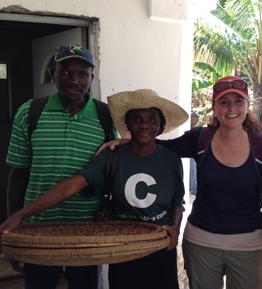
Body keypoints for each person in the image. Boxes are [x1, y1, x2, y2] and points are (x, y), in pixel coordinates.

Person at [100, 75, 262, 289]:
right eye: (224, 102)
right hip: (201, 243)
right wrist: (125, 142)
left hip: (248, 246)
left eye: (238, 101)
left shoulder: (261, 146)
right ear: (215, 107)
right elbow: (162, 146)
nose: (231, 108)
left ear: (246, 105)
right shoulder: (200, 139)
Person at [1, 89, 188, 289]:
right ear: (128, 124)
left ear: (160, 125)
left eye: (152, 119)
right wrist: (21, 214)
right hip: (122, 249)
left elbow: (177, 200)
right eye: (137, 119)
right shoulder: (112, 155)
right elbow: (71, 186)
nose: (144, 125)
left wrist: (175, 228)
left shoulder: (171, 159)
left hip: (159, 247)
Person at [4, 44, 117, 289]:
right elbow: (18, 173)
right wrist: (15, 229)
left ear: (91, 78)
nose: (73, 80)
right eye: (65, 72)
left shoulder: (106, 117)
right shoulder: (31, 112)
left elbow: (115, 169)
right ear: (52, 73)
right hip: (38, 231)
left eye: (82, 74)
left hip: (87, 233)